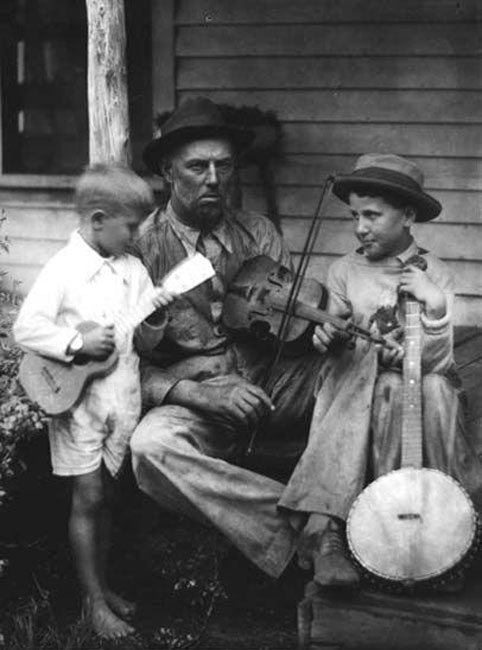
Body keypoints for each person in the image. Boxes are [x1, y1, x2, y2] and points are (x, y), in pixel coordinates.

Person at [130, 97, 326, 581]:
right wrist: (194, 393)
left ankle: (346, 515)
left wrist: (316, 326)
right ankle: (301, 531)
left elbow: (284, 333)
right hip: (194, 398)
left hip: (268, 381)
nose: (214, 179)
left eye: (225, 165)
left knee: (356, 372)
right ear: (168, 173)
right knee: (150, 449)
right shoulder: (138, 247)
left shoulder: (258, 232)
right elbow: (121, 359)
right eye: (198, 167)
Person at [279, 153, 482, 588]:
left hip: (420, 384)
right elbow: (334, 329)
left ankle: (449, 534)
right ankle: (354, 533)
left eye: (372, 215)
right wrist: (325, 337)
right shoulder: (343, 270)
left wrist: (436, 306)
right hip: (355, 388)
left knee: (436, 393)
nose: (359, 227)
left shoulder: (436, 274)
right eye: (355, 215)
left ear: (408, 215)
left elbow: (440, 363)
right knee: (375, 377)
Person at [14, 165, 176, 639]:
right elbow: (28, 326)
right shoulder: (63, 269)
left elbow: (144, 343)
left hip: (121, 400)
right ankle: (91, 602)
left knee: (106, 498)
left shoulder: (133, 268)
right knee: (87, 498)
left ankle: (102, 590)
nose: (136, 236)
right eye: (131, 227)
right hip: (77, 403)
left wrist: (155, 319)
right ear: (99, 219)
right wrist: (74, 346)